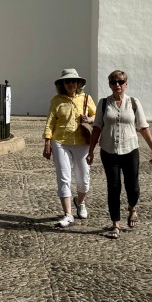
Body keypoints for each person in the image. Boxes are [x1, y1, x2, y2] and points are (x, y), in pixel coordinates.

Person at [86, 69, 152, 238]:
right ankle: (115, 223)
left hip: (130, 150)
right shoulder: (103, 103)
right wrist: (91, 151)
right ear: (110, 84)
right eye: (113, 82)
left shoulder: (133, 102)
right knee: (113, 186)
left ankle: (132, 207)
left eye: (120, 82)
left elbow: (143, 127)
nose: (117, 85)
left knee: (132, 186)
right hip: (108, 151)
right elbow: (97, 128)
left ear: (126, 84)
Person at [42, 68, 96, 229]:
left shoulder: (86, 98)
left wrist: (90, 118)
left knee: (84, 179)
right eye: (67, 81)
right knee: (64, 178)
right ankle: (68, 214)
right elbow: (50, 122)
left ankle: (80, 201)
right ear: (62, 84)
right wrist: (47, 142)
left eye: (74, 81)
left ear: (79, 83)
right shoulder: (56, 100)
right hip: (60, 142)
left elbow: (97, 116)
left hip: (82, 142)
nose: (71, 84)